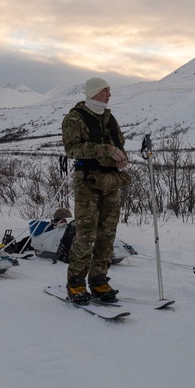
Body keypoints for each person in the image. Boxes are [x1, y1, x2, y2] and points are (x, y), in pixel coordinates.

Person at [61, 77, 129, 304]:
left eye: (110, 90)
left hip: (110, 182)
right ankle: (76, 284)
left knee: (107, 234)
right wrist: (106, 150)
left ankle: (99, 280)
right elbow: (72, 149)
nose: (110, 94)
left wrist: (121, 157)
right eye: (106, 91)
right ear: (94, 92)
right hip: (87, 183)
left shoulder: (110, 118)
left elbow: (119, 145)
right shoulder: (75, 118)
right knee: (86, 234)